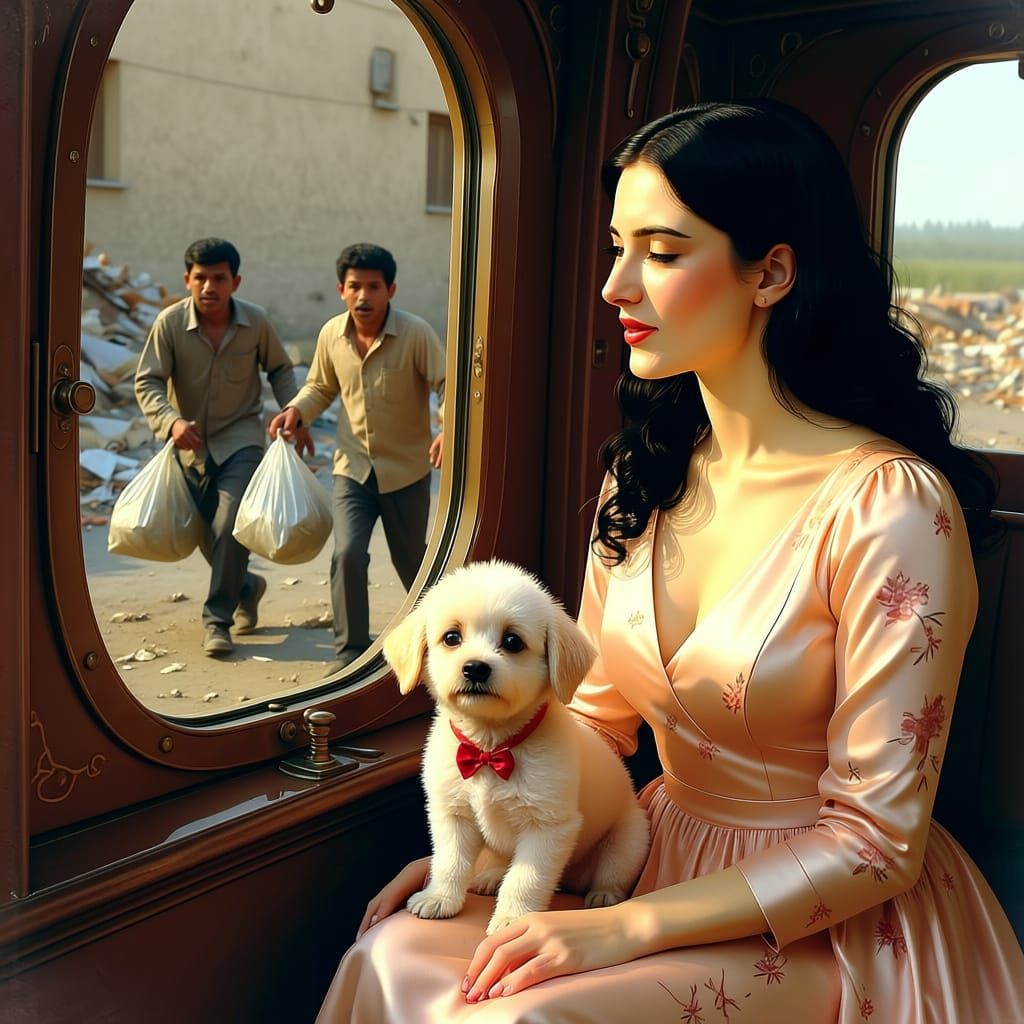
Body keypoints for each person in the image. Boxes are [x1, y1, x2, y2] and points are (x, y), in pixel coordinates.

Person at [314, 101, 1024, 1022]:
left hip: (824, 915)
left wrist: (626, 928)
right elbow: (589, 717)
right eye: (618, 247)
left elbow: (877, 841)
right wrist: (481, 851)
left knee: (522, 1016)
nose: (615, 286)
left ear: (771, 273)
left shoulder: (891, 508)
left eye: (660, 251)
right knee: (393, 952)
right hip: (647, 850)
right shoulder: (642, 480)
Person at [269, 243, 445, 676]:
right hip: (352, 469)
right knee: (347, 553)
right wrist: (296, 411)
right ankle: (350, 651)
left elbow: (447, 384)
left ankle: (439, 638)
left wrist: (449, 429)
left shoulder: (416, 333)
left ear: (391, 290)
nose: (363, 296)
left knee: (413, 562)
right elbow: (320, 386)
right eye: (354, 286)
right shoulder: (331, 334)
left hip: (407, 470)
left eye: (373, 287)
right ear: (341, 290)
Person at [134, 237, 309, 656]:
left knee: (230, 522)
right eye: (201, 278)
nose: (209, 287)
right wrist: (170, 421)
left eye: (219, 278)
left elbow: (280, 368)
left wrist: (294, 411)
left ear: (235, 282)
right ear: (187, 280)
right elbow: (148, 380)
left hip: (241, 440)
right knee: (205, 534)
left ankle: (217, 622)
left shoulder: (256, 322)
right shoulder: (170, 324)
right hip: (189, 444)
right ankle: (247, 586)